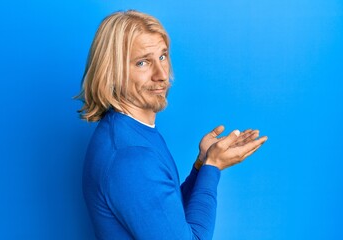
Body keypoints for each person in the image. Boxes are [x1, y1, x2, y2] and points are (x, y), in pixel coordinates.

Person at [77, 10, 268, 240]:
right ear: (113, 73)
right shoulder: (131, 158)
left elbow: (168, 217)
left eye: (162, 56)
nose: (161, 74)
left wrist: (202, 165)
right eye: (142, 62)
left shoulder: (132, 132)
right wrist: (213, 167)